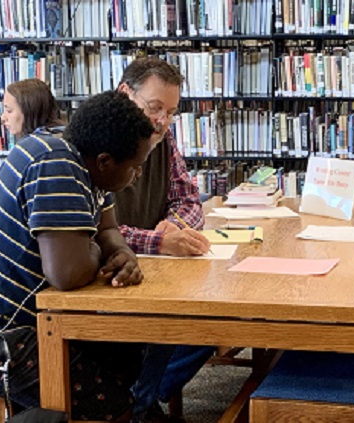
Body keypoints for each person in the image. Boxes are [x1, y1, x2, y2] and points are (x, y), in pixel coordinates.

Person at [0, 82, 156, 421]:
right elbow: (67, 274)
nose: (138, 175)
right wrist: (94, 250)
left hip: (0, 325)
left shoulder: (80, 149)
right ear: (104, 161)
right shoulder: (57, 164)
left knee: (123, 347)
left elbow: (107, 229)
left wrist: (120, 251)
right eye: (135, 166)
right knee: (110, 400)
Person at [116, 58, 216, 422]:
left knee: (215, 319)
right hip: (106, 274)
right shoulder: (98, 140)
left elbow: (188, 198)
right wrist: (158, 242)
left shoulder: (163, 137)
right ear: (126, 94)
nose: (162, 121)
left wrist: (174, 226)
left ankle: (144, 395)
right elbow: (97, 227)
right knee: (168, 322)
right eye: (154, 108)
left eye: (171, 112)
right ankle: (137, 403)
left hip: (155, 268)